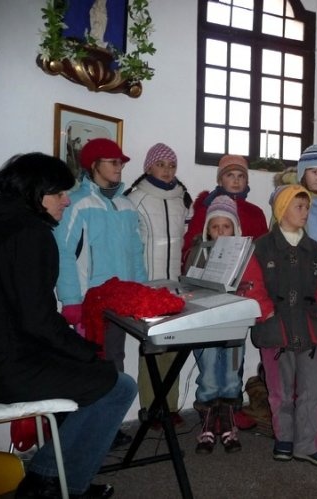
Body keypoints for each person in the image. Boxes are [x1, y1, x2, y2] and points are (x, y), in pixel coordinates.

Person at [0, 153, 137, 498]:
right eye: (59, 193)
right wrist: (87, 350)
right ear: (36, 192)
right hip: (5, 366)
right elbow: (38, 321)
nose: (66, 201)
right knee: (117, 385)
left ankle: (49, 474)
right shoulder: (32, 234)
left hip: (7, 351)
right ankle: (55, 483)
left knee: (84, 371)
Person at [54, 138, 147, 448]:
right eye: (113, 162)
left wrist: (142, 292)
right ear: (93, 165)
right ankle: (85, 432)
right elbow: (64, 253)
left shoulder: (126, 205)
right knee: (91, 365)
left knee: (114, 360)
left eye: (121, 162)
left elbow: (136, 253)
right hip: (89, 301)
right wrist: (71, 300)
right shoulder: (76, 203)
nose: (119, 167)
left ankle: (108, 427)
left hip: (120, 300)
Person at [239, 184, 317, 466]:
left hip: (310, 330)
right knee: (280, 391)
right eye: (299, 207)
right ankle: (284, 439)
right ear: (282, 210)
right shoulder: (261, 248)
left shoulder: (316, 251)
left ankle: (307, 444)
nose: (305, 212)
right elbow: (250, 285)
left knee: (314, 389)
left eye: (307, 207)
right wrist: (267, 312)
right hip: (276, 330)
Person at [181, 154, 266, 430]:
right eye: (230, 175)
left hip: (238, 300)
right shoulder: (206, 209)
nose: (236, 180)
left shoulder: (255, 213)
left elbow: (262, 252)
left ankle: (232, 409)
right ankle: (210, 413)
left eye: (241, 176)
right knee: (209, 358)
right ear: (220, 179)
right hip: (208, 300)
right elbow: (192, 248)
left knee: (233, 359)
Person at [125, 143, 193, 430]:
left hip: (174, 284)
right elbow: (129, 242)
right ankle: (151, 408)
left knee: (174, 345)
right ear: (149, 167)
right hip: (147, 285)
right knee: (152, 348)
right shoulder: (135, 198)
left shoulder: (182, 199)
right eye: (161, 165)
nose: (167, 170)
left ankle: (170, 406)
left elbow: (186, 238)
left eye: (172, 166)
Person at [185, 195, 248, 455]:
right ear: (207, 230)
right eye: (215, 226)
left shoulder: (245, 255)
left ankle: (229, 426)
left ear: (235, 229)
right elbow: (188, 286)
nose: (221, 232)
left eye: (226, 226)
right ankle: (207, 427)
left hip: (234, 324)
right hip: (206, 326)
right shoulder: (197, 252)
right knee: (209, 376)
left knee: (232, 378)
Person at [273, 144, 317, 280]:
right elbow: (276, 236)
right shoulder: (288, 199)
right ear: (303, 171)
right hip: (295, 273)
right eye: (315, 172)